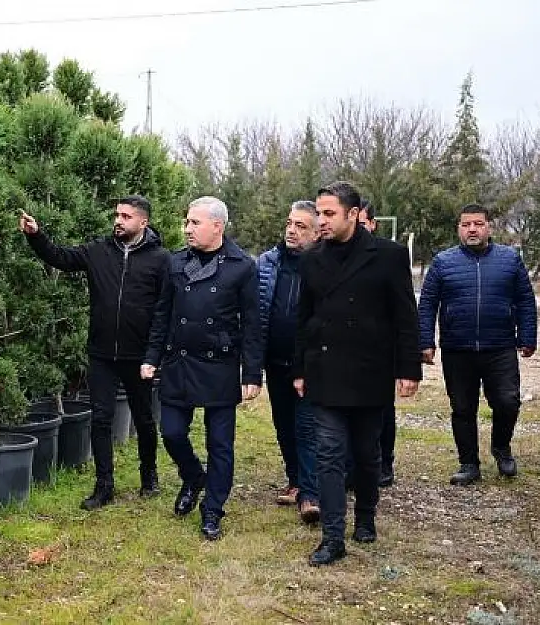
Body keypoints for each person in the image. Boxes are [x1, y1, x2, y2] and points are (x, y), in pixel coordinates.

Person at [293, 181, 421, 566]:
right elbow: (304, 317)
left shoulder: (389, 255)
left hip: (370, 373)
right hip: (326, 372)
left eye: (330, 213)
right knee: (329, 454)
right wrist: (300, 368)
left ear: (354, 215)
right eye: (319, 213)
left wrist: (408, 368)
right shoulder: (312, 258)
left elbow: (405, 317)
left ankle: (366, 516)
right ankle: (333, 537)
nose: (322, 221)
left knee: (366, 455)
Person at [20, 195, 171, 511]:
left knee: (144, 419)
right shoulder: (98, 251)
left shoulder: (160, 260)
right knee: (101, 419)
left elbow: (163, 312)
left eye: (126, 216)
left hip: (138, 356)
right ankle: (104, 486)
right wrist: (36, 235)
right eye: (117, 214)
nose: (118, 220)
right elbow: (60, 257)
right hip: (101, 353)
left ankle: (149, 475)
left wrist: (153, 356)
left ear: (142, 222)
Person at [142, 196, 263, 541]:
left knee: (220, 444)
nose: (187, 229)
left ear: (217, 226)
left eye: (194, 223)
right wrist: (151, 357)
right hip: (179, 361)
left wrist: (252, 373)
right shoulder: (175, 262)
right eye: (187, 222)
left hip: (219, 364)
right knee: (172, 432)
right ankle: (194, 476)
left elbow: (253, 323)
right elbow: (162, 314)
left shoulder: (242, 266)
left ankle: (213, 509)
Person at [417, 204, 538, 486]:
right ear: (459, 228)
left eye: (478, 224)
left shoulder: (510, 260)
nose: (472, 229)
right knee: (462, 408)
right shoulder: (443, 262)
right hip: (458, 349)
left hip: (501, 347)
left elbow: (525, 300)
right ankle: (468, 463)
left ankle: (501, 448)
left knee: (508, 402)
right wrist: (425, 342)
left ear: (489, 227)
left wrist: (528, 337)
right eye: (466, 224)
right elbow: (427, 306)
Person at [258, 200, 320, 523]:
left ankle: (311, 493)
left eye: (301, 226)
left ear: (316, 232)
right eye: (290, 224)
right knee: (284, 425)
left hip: (309, 364)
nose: (292, 231)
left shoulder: (323, 264)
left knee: (306, 426)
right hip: (275, 360)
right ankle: (295, 479)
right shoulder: (268, 263)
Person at [356, 200, 398, 487]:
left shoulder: (388, 256)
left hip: (379, 349)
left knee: (381, 411)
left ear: (372, 224)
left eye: (361, 225)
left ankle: (384, 462)